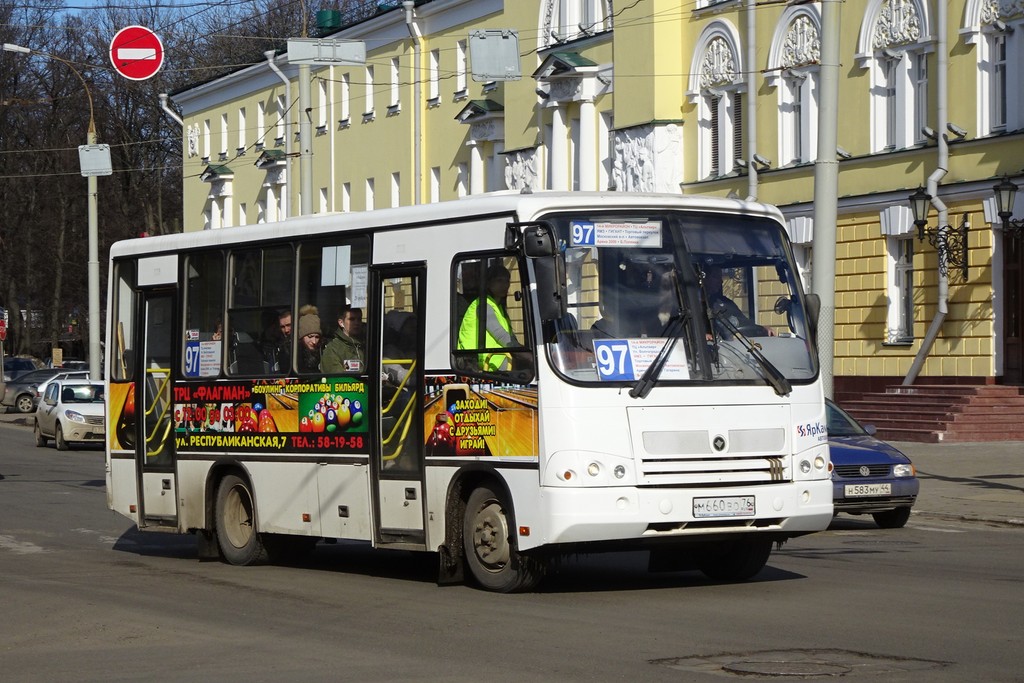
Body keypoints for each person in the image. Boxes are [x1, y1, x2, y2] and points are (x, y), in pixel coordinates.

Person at [458, 263, 518, 372]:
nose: (505, 285)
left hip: (495, 360)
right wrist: (524, 353)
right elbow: (501, 336)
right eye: (499, 280)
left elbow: (510, 337)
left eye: (507, 281)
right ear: (488, 283)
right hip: (477, 363)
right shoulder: (482, 305)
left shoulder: (498, 307)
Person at [703, 266, 770, 337]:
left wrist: (762, 329)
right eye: (716, 277)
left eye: (720, 277)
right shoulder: (692, 305)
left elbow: (743, 322)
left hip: (725, 346)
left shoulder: (723, 303)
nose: (721, 281)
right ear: (704, 279)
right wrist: (703, 337)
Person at [321, 305, 365, 373]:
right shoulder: (333, 348)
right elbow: (336, 377)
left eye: (359, 319)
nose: (357, 323)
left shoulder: (366, 345)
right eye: (352, 319)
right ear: (341, 323)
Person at [296, 305, 323, 373]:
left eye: (317, 337)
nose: (314, 341)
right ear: (301, 336)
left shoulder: (323, 351)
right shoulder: (294, 356)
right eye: (310, 336)